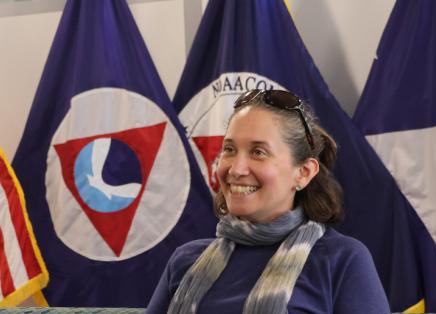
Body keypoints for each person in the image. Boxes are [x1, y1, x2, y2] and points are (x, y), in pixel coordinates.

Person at [146, 89, 390, 314]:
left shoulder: (342, 260)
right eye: (229, 149)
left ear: (304, 173)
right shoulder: (185, 259)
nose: (236, 169)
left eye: (258, 152)